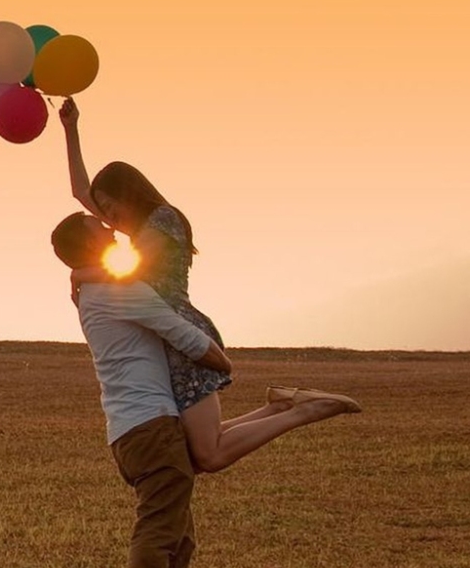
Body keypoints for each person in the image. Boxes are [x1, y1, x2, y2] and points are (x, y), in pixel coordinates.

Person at [51, 210, 361, 568]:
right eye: (101, 228)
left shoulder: (95, 290)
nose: (112, 229)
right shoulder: (119, 291)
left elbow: (120, 271)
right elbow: (190, 340)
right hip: (149, 426)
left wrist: (81, 269)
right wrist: (224, 364)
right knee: (159, 530)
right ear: (89, 245)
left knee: (180, 535)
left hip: (139, 427)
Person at [58, 98, 361, 473]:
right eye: (101, 209)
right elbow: (80, 191)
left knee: (209, 453)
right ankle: (281, 405)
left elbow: (130, 272)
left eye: (109, 205)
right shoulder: (135, 227)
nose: (107, 215)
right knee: (193, 451)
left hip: (183, 333)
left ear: (128, 194)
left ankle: (306, 410)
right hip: (162, 337)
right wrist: (71, 130)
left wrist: (81, 273)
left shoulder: (163, 220)